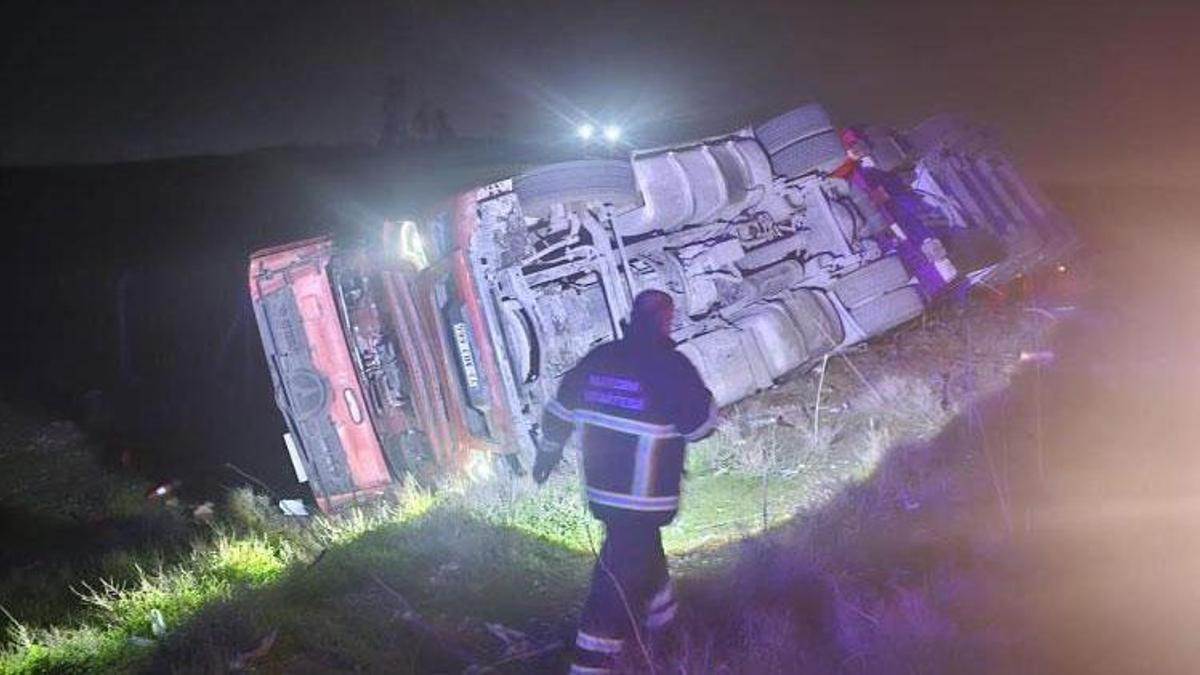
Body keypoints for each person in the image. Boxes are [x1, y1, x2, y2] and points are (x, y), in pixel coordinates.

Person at [532, 289, 718, 674]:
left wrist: (547, 455)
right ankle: (590, 666)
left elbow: (559, 411)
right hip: (645, 499)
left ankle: (669, 639)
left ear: (631, 318)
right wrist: (709, 402)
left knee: (646, 556)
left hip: (604, 495)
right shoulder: (672, 366)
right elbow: (700, 427)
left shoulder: (599, 359)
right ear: (667, 321)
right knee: (614, 585)